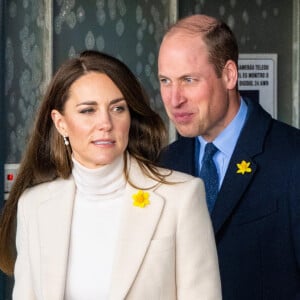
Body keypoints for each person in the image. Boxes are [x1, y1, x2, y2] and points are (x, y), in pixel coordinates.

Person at [0, 50, 221, 299]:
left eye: (117, 108)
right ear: (60, 123)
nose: (105, 123)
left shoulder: (180, 197)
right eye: (88, 111)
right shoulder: (34, 205)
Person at [157, 14, 300, 300]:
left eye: (189, 80)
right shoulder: (163, 166)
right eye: (165, 81)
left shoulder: (292, 157)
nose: (174, 99)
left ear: (229, 75)